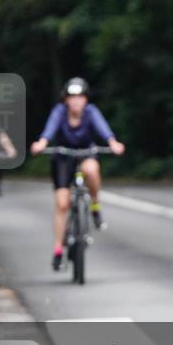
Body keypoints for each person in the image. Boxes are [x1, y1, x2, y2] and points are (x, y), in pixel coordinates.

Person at [29, 77, 125, 270]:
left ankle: (95, 206)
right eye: (72, 97)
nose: (76, 101)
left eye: (80, 97)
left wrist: (112, 142)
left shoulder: (91, 112)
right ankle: (58, 250)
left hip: (86, 153)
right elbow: (49, 129)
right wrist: (42, 143)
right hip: (63, 157)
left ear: (86, 99)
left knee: (91, 170)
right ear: (65, 99)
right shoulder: (59, 112)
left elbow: (103, 128)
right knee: (62, 203)